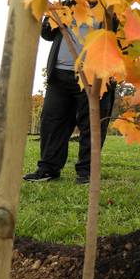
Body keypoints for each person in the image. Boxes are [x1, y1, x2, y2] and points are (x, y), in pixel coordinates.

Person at [24, 14, 116, 184]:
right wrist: (52, 17)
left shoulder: (110, 6)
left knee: (92, 124)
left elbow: (123, 40)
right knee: (52, 121)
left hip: (95, 74)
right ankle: (48, 168)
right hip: (60, 73)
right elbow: (47, 34)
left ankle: (86, 172)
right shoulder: (67, 3)